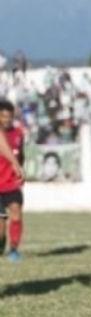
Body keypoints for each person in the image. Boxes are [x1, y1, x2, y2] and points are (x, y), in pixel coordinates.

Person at [0, 100, 25, 262]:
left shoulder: (18, 133)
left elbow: (21, 154)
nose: (6, 119)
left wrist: (20, 168)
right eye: (3, 116)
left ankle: (14, 249)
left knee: (16, 212)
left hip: (11, 183)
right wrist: (16, 164)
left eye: (9, 116)